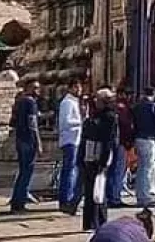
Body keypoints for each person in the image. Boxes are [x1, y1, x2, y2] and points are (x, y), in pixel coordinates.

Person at [80, 88, 119, 233]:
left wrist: (104, 160)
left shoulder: (110, 117)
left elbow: (108, 140)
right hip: (89, 154)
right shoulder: (93, 116)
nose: (96, 101)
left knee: (98, 190)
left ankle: (99, 221)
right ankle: (89, 221)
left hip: (100, 155)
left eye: (98, 99)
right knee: (90, 190)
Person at [9, 78, 43, 213]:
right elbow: (33, 124)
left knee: (23, 171)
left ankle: (17, 199)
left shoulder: (20, 101)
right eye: (34, 88)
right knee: (26, 171)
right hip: (28, 140)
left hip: (20, 138)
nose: (37, 91)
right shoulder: (30, 102)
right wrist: (38, 142)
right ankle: (19, 202)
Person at [133, 85, 155, 212]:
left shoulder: (137, 106)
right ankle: (145, 197)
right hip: (149, 138)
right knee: (147, 168)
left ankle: (139, 195)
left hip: (138, 138)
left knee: (140, 168)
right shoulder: (153, 106)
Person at [58, 77, 84, 214]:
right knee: (68, 170)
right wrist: (80, 122)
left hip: (75, 139)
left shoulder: (75, 102)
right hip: (69, 140)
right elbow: (65, 122)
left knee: (72, 170)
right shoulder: (67, 103)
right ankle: (65, 198)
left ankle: (69, 197)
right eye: (77, 88)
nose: (79, 90)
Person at [109, 85, 135, 208]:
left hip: (115, 143)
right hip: (122, 143)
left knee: (115, 171)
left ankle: (112, 195)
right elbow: (126, 126)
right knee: (119, 171)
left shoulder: (114, 107)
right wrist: (128, 142)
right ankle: (115, 197)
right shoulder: (122, 108)